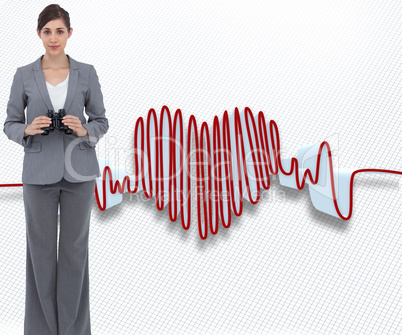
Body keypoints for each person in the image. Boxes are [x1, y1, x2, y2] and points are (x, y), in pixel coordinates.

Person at [3, 4, 109, 335]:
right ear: (39, 34)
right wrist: (27, 130)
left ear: (69, 34)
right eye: (47, 31)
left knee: (75, 254)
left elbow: (102, 120)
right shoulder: (24, 74)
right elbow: (9, 123)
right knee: (41, 256)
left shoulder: (86, 72)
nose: (53, 38)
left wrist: (85, 130)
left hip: (79, 174)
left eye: (59, 31)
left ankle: (75, 331)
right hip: (38, 174)